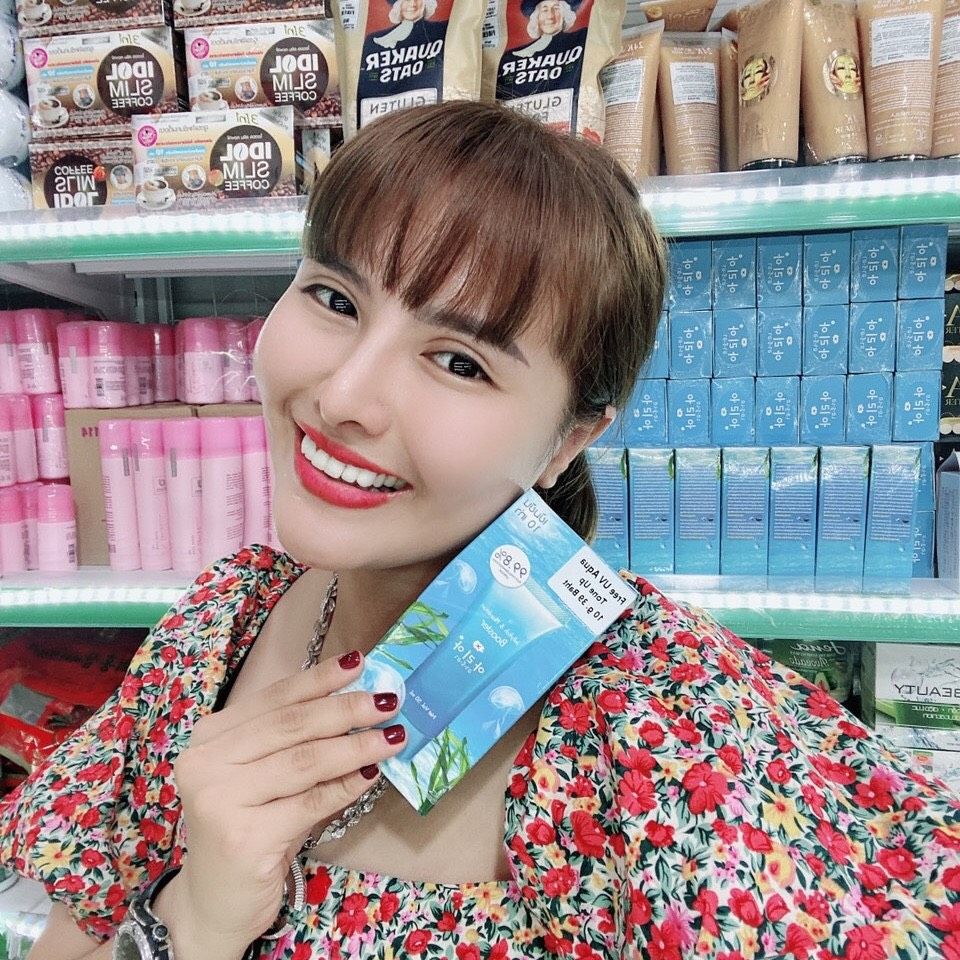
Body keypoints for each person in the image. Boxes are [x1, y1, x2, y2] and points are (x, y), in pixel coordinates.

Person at [2, 100, 960, 960]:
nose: (343, 398)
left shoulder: (666, 733)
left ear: (569, 439)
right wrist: (193, 920)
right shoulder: (213, 631)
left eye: (459, 361)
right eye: (335, 299)